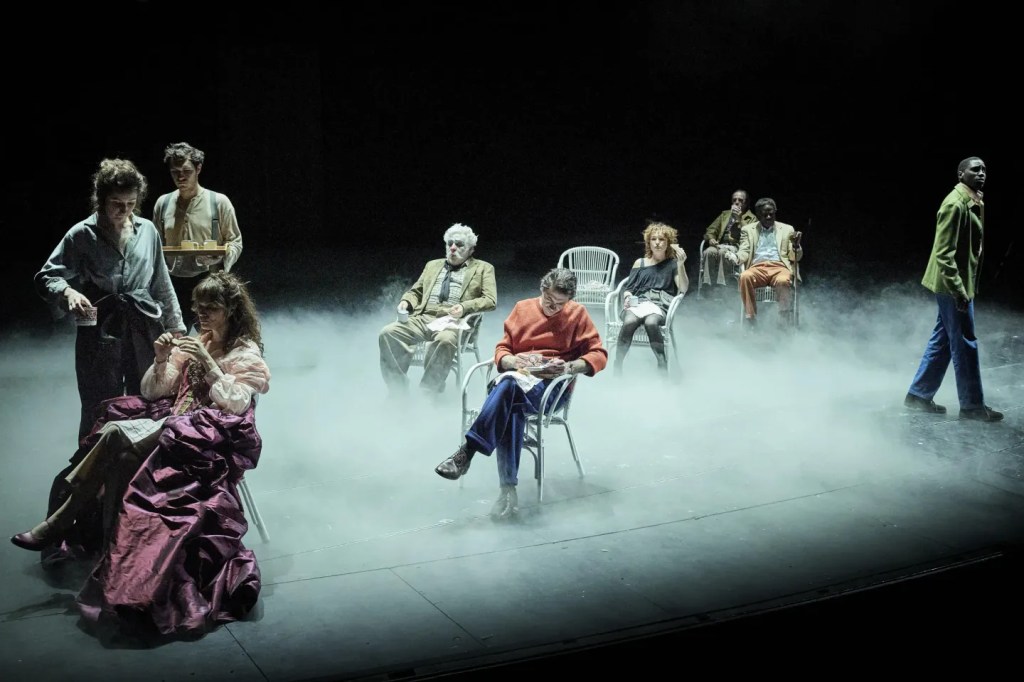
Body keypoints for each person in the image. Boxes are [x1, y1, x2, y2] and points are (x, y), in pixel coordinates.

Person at [11, 272, 271, 638]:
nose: (201, 315)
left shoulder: (245, 352)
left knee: (117, 434)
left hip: (206, 437)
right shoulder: (198, 339)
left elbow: (237, 403)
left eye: (210, 308)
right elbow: (153, 391)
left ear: (230, 310)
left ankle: (60, 522)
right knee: (119, 455)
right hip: (173, 423)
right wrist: (162, 359)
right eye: (197, 307)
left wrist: (209, 364)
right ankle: (110, 551)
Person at [433, 268, 607, 520]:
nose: (553, 308)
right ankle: (507, 492)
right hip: (517, 379)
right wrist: (513, 361)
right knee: (511, 397)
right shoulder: (522, 309)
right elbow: (502, 350)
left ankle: (467, 452)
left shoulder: (577, 314)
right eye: (549, 300)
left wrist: (568, 367)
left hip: (551, 389)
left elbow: (598, 354)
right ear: (542, 290)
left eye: (560, 304)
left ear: (569, 300)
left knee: (508, 391)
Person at [35, 158, 187, 442]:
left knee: (148, 392)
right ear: (101, 199)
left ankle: (143, 457)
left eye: (131, 203)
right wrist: (68, 292)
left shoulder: (147, 230)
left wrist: (175, 326)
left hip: (142, 319)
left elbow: (161, 282)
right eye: (117, 203)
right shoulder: (82, 234)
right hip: (100, 320)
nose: (124, 210)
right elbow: (47, 275)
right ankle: (95, 461)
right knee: (99, 397)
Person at [903, 157, 1002, 422]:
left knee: (945, 338)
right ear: (960, 174)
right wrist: (959, 290)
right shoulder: (955, 204)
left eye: (984, 170)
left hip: (958, 281)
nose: (981, 173)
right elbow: (944, 254)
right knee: (965, 342)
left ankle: (918, 395)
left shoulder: (973, 200)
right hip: (951, 283)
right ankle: (971, 406)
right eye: (975, 169)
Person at [379, 223, 497, 396]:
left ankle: (429, 392)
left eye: (459, 244)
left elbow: (490, 300)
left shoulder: (483, 268)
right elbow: (416, 291)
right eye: (450, 243)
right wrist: (406, 301)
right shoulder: (432, 265)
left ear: (471, 249)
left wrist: (464, 306)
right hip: (423, 318)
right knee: (388, 333)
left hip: (454, 321)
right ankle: (398, 391)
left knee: (445, 340)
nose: (453, 248)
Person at [153, 141, 244, 325]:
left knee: (213, 336)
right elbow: (154, 245)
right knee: (173, 336)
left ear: (198, 169)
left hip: (208, 281)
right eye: (175, 172)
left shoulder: (218, 202)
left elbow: (235, 241)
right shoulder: (163, 203)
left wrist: (220, 257)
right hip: (171, 284)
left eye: (186, 171)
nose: (180, 177)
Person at [613, 221, 688, 374]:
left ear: (668, 243)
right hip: (639, 302)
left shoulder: (673, 264)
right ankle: (617, 364)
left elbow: (683, 288)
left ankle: (662, 363)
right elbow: (629, 289)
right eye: (654, 239)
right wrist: (627, 297)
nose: (657, 243)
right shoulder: (640, 263)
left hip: (659, 304)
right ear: (649, 242)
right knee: (629, 321)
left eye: (662, 239)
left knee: (651, 322)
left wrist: (681, 265)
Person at [736, 197, 803, 328]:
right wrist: (736, 257)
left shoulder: (787, 229)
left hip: (779, 267)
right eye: (764, 214)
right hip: (757, 267)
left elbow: (795, 257)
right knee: (745, 276)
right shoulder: (748, 230)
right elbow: (744, 251)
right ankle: (751, 319)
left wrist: (796, 245)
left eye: (771, 213)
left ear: (775, 212)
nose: (768, 216)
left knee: (783, 280)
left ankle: (784, 319)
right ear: (758, 214)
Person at [700, 189, 757, 298]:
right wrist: (711, 238)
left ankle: (721, 286)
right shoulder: (725, 214)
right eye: (734, 200)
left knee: (723, 253)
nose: (736, 202)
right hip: (719, 245)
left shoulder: (752, 218)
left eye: (740, 200)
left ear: (746, 203)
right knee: (708, 251)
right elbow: (711, 229)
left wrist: (739, 219)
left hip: (737, 247)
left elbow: (751, 235)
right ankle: (707, 285)